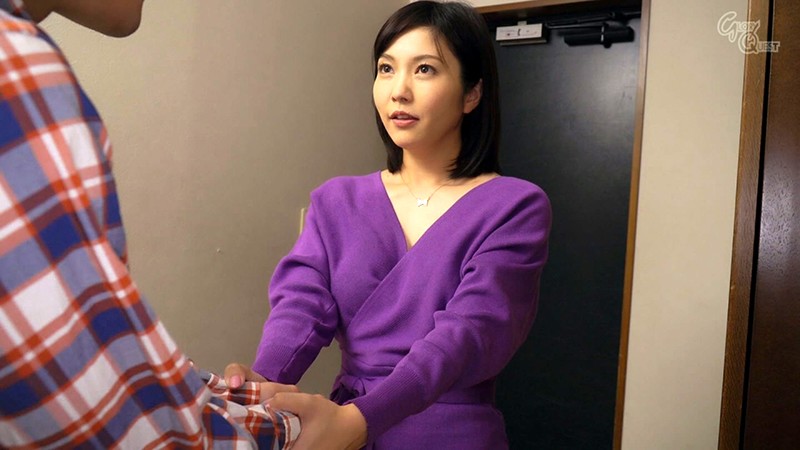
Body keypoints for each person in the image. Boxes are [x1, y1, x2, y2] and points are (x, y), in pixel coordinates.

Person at [226, 2, 552, 449]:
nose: (399, 91)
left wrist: (361, 419)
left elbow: (468, 332)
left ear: (472, 93)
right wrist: (263, 384)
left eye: (424, 69)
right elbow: (301, 305)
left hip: (449, 435)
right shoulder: (336, 200)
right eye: (386, 68)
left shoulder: (514, 206)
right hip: (345, 430)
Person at [0, 1, 301, 448]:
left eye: (415, 68)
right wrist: (299, 421)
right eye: (386, 67)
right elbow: (118, 421)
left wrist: (251, 399)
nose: (399, 90)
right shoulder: (16, 73)